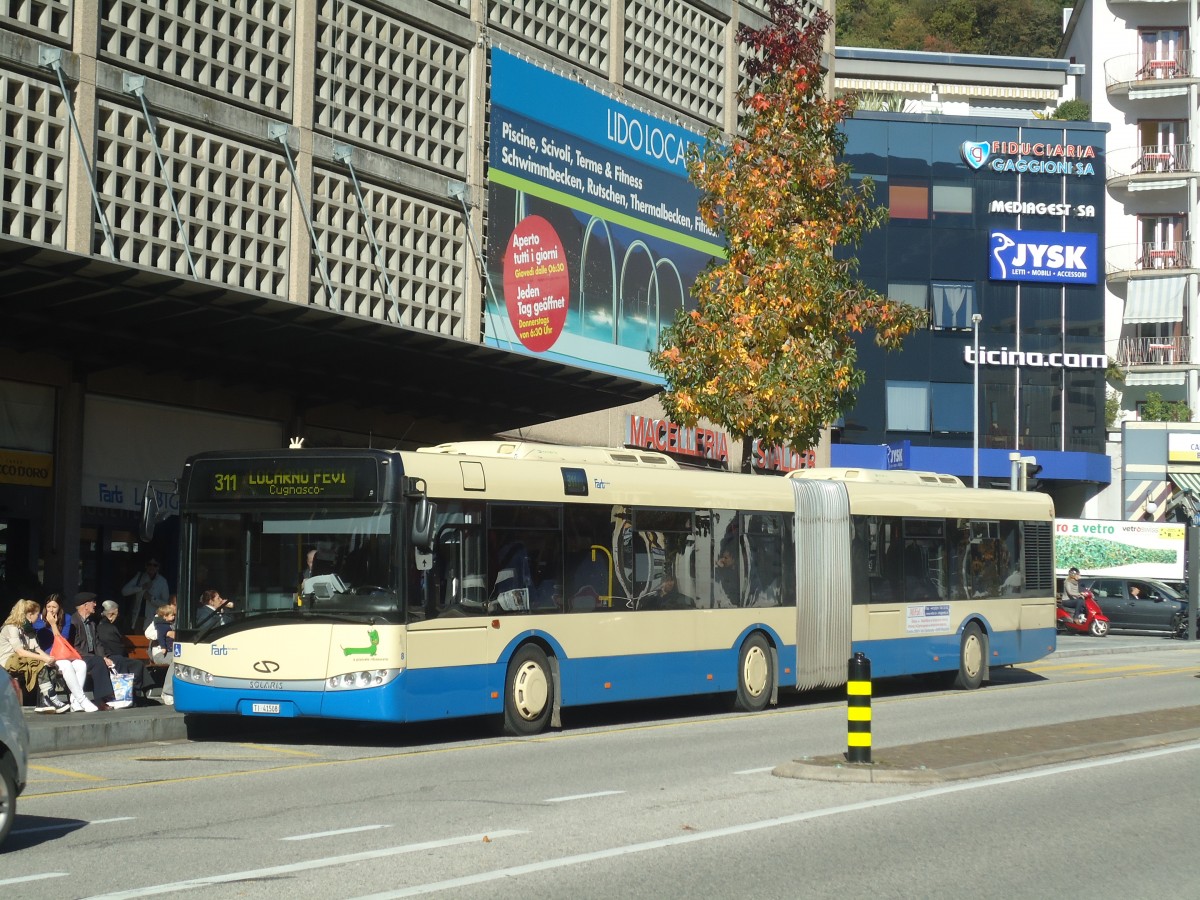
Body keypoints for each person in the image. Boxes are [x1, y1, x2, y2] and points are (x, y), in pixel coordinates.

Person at [1, 599, 68, 712]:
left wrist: (49, 659)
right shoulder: (12, 628)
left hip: (22, 659)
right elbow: (20, 652)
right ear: (30, 614)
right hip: (8, 660)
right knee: (37, 662)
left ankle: (44, 701)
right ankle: (50, 697)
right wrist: (43, 658)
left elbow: (36, 648)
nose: (39, 616)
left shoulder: (29, 630)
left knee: (48, 665)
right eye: (37, 614)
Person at [36, 593, 98, 713]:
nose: (51, 610)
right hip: (47, 656)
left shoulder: (67, 618)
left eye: (54, 607)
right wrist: (51, 623)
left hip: (61, 653)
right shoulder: (38, 620)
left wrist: (54, 624)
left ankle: (75, 702)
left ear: (59, 607)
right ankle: (82, 699)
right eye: (48, 607)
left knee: (81, 665)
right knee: (67, 665)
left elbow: (62, 640)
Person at [69, 593, 121, 710]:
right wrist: (100, 659)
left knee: (114, 660)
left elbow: (97, 643)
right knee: (98, 662)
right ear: (85, 605)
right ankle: (102, 698)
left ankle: (122, 696)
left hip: (92, 657)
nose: (95, 604)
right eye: (93, 602)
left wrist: (104, 657)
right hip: (79, 657)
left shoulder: (92, 622)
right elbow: (73, 646)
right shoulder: (74, 622)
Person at [96, 600, 149, 707]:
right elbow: (117, 648)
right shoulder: (110, 628)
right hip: (112, 658)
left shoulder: (100, 625)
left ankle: (135, 694)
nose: (118, 616)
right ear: (110, 615)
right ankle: (135, 694)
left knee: (134, 663)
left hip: (111, 657)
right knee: (137, 664)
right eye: (116, 613)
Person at [122, 557, 170, 632]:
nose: (152, 567)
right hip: (138, 618)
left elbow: (166, 604)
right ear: (146, 566)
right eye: (149, 564)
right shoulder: (140, 577)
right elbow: (124, 591)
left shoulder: (162, 581)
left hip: (154, 619)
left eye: (155, 565)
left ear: (158, 567)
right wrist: (141, 588)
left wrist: (151, 598)